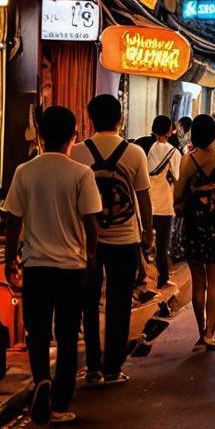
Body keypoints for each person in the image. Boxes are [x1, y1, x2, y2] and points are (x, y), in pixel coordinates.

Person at [3, 107, 101, 426]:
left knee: (38, 333)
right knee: (69, 336)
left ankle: (42, 379)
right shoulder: (80, 173)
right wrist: (90, 262)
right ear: (73, 136)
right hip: (71, 268)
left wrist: (9, 261)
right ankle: (59, 404)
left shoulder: (25, 172)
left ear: (41, 135)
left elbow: (13, 222)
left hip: (36, 267)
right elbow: (92, 226)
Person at [72, 94, 153, 385]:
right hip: (125, 238)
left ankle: (92, 366)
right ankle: (112, 367)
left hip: (87, 241)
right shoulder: (134, 153)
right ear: (120, 118)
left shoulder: (78, 152)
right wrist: (148, 233)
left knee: (89, 301)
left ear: (90, 117)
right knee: (119, 302)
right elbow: (143, 196)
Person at [174, 115, 215, 350]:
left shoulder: (188, 161)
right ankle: (210, 333)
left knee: (198, 282)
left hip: (193, 227)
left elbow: (177, 198)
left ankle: (200, 330)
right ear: (213, 134)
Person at [146, 115, 182, 289]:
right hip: (165, 204)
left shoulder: (148, 148)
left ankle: (147, 279)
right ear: (169, 131)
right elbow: (177, 177)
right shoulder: (173, 152)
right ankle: (162, 277)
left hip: (148, 203)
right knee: (162, 245)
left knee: (147, 244)